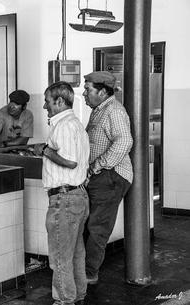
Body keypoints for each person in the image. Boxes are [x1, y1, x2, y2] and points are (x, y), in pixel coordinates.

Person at [34, 81, 90, 305]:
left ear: (59, 101)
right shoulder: (74, 123)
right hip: (77, 196)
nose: (45, 106)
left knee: (59, 257)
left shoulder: (64, 125)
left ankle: (65, 300)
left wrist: (44, 150)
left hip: (64, 199)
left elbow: (70, 161)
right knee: (75, 253)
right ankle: (77, 296)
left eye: (47, 101)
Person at [82, 71, 133, 285]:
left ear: (102, 92)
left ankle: (89, 274)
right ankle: (84, 270)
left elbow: (124, 142)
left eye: (88, 89)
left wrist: (97, 166)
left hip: (110, 176)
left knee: (97, 227)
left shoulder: (113, 110)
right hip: (101, 175)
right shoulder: (98, 110)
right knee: (90, 224)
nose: (84, 93)